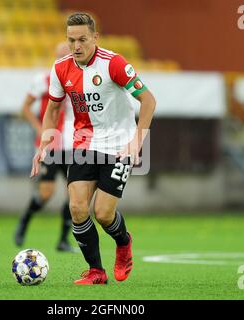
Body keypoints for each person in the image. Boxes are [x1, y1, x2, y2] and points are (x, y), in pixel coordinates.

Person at [31, 13, 156, 285]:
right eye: (71, 40)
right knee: (77, 208)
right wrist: (44, 143)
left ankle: (123, 242)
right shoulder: (61, 68)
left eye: (82, 40)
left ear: (95, 38)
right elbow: (52, 109)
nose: (76, 46)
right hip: (84, 142)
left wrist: (137, 140)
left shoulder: (114, 64)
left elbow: (148, 100)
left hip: (119, 146)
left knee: (103, 213)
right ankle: (96, 272)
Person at [14, 42, 76, 253]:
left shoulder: (81, 80)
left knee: (76, 194)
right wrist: (40, 128)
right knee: (46, 194)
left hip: (75, 145)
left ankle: (63, 240)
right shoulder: (43, 80)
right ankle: (25, 220)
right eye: (61, 55)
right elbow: (24, 108)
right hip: (52, 146)